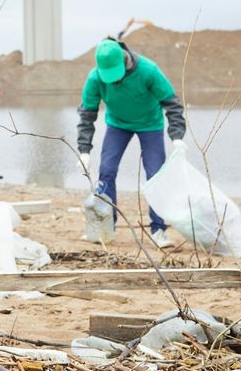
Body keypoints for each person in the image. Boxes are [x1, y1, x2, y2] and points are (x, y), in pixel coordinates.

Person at [76, 37, 186, 248]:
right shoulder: (95, 77)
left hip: (150, 125)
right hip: (117, 125)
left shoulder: (149, 70)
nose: (114, 82)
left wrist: (177, 136)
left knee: (155, 175)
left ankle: (159, 230)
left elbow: (172, 104)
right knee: (106, 171)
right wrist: (84, 150)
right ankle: (105, 228)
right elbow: (87, 114)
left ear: (125, 60)